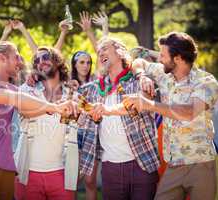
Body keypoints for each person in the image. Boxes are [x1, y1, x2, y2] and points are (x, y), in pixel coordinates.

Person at [0, 41, 76, 200]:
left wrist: (57, 105)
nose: (21, 62)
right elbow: (15, 98)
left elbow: (29, 110)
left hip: (7, 169)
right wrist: (54, 107)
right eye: (17, 57)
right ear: (2, 58)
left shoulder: (13, 88)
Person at [125, 31, 218, 200]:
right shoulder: (164, 74)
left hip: (201, 164)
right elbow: (138, 62)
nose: (159, 59)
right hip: (173, 165)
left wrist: (148, 104)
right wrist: (142, 76)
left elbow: (188, 112)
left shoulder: (206, 82)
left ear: (178, 58)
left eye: (163, 55)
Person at [78, 36, 160, 200]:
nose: (100, 53)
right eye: (99, 51)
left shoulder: (139, 81)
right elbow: (75, 104)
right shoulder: (94, 89)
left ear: (121, 52)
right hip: (110, 168)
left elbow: (137, 105)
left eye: (105, 49)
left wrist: (106, 110)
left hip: (142, 163)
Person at [14, 46, 79, 200]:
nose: (41, 62)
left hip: (62, 172)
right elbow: (23, 110)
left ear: (57, 61)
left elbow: (79, 126)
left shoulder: (72, 95)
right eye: (36, 60)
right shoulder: (27, 90)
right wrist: (54, 108)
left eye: (45, 57)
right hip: (27, 172)